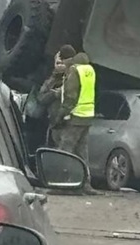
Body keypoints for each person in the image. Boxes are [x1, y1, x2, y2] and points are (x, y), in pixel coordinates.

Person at [50, 51, 102, 195]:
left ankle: (62, 184)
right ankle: (84, 184)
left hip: (75, 117)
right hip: (87, 117)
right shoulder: (90, 70)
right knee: (82, 153)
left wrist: (60, 116)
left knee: (65, 151)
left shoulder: (74, 70)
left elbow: (70, 97)